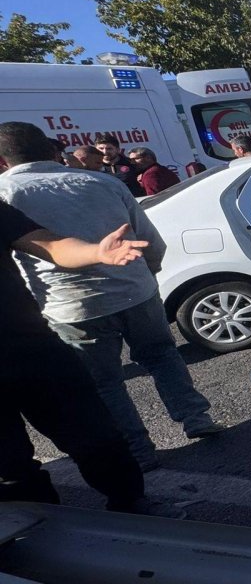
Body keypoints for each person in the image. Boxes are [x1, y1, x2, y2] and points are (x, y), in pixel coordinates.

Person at [0, 123, 223, 471]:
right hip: (135, 290)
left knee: (106, 383)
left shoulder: (6, 194)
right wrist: (147, 275)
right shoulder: (102, 182)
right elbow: (149, 239)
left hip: (73, 306)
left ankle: (139, 450)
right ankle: (195, 418)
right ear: (51, 150)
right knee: (163, 356)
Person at [0, 195, 184, 518]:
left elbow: (51, 245)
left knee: (99, 438)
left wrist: (95, 252)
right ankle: (37, 533)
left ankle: (131, 503)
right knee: (10, 465)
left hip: (33, 351)